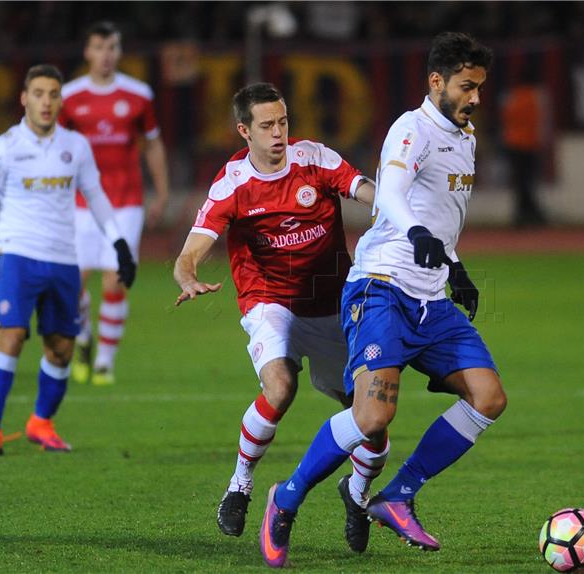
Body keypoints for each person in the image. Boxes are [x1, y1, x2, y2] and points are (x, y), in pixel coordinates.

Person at [259, 32, 507, 568]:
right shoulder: (410, 129)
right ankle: (287, 496)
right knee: (371, 417)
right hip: (379, 290)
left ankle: (398, 494)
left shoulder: (465, 136)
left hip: (429, 296)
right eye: (467, 87)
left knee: (488, 398)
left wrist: (455, 266)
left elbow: (440, 216)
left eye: (480, 88)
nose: (476, 99)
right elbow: (392, 193)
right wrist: (417, 234)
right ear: (436, 82)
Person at [173, 83, 386, 551]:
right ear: (244, 131)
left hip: (332, 306)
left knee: (371, 418)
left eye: (283, 122)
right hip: (269, 302)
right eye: (267, 125)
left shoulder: (316, 160)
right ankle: (241, 484)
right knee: (280, 387)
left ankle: (357, 494)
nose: (278, 133)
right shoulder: (233, 183)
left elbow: (366, 190)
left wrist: (396, 205)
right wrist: (187, 276)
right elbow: (189, 251)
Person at [0, 64, 137, 456]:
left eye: (53, 94)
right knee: (12, 336)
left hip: (63, 261)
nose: (46, 101)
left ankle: (41, 423)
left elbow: (97, 198)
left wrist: (120, 245)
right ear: (24, 98)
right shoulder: (3, 148)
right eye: (38, 93)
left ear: (61, 100)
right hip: (19, 256)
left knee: (61, 348)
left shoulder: (76, 146)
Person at [60, 21, 169, 386]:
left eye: (112, 48)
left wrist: (162, 190)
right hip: (80, 201)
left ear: (119, 52)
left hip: (125, 201)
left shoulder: (137, 94)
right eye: (99, 48)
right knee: (73, 282)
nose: (106, 55)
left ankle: (104, 361)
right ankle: (83, 338)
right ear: (87, 52)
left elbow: (152, 144)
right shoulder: (70, 96)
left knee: (115, 279)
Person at [501, 65, 549, 227]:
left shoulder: (512, 96)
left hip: (512, 143)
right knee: (527, 182)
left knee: (521, 183)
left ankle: (524, 214)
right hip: (529, 144)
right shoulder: (535, 96)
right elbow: (540, 121)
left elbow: (505, 119)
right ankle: (530, 214)